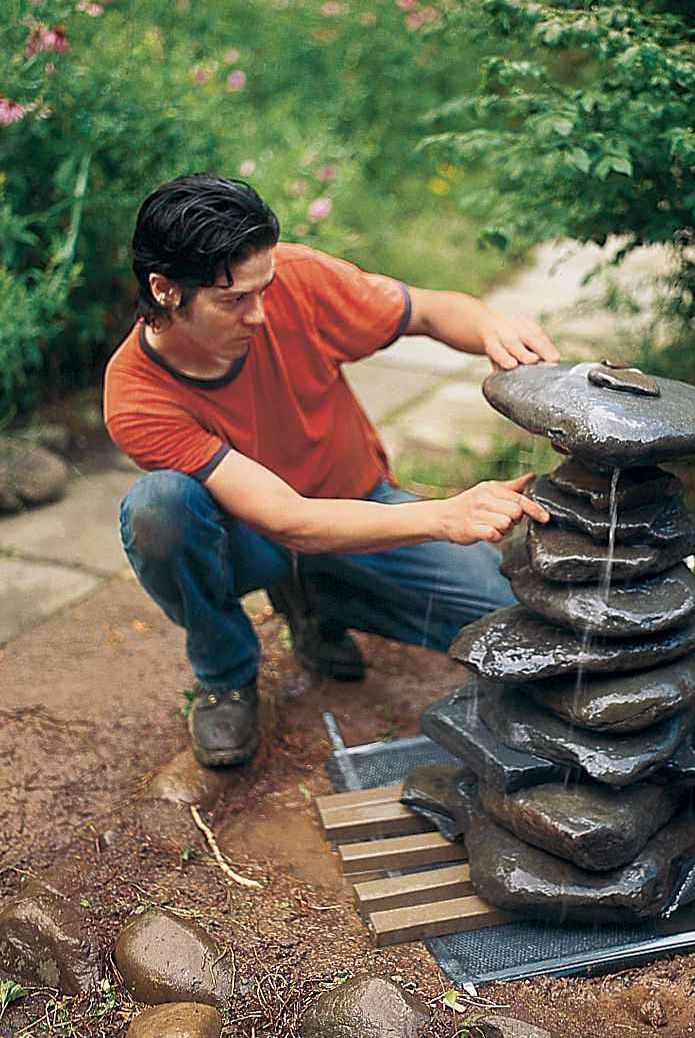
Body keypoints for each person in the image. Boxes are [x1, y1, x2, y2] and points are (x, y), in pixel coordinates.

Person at [103, 173, 560, 768]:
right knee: (158, 509)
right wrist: (444, 516)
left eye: (263, 289)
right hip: (257, 538)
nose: (260, 314)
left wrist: (491, 329)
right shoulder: (138, 397)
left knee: (521, 623)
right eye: (234, 299)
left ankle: (319, 598)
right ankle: (226, 675)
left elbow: (428, 311)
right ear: (166, 291)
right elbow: (286, 519)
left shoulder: (293, 277)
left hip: (359, 503)